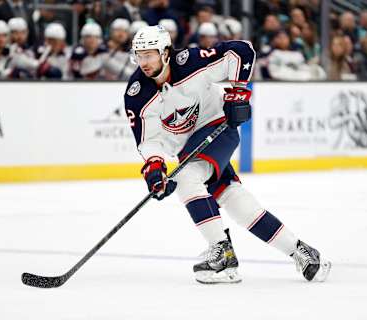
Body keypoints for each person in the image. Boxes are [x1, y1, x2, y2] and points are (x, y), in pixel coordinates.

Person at [124, 25, 332, 284]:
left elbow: (241, 51)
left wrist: (239, 91)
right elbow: (148, 140)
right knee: (232, 197)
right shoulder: (137, 94)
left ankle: (222, 254)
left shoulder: (189, 63)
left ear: (165, 52)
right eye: (139, 55)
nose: (144, 62)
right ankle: (301, 251)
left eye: (150, 54)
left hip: (218, 128)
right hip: (189, 149)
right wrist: (154, 167)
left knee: (186, 178)